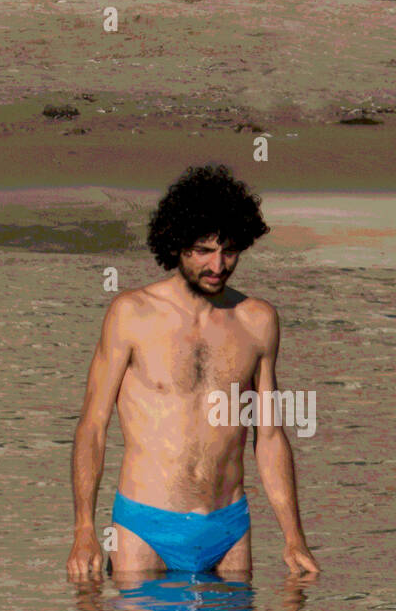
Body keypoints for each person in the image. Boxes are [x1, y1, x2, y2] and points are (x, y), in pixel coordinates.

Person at [67, 163, 319, 577]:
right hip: (145, 527)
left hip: (229, 528)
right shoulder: (131, 314)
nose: (218, 265)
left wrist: (294, 538)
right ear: (175, 244)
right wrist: (83, 530)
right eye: (203, 250)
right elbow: (93, 425)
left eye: (230, 250)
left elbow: (269, 434)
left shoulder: (257, 321)